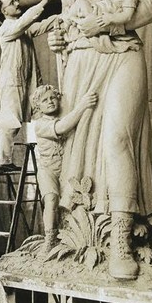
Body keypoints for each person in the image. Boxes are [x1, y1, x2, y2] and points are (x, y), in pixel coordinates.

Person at [47, 0, 152, 280]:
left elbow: (151, 4)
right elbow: (67, 19)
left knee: (116, 139)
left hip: (122, 54)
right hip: (80, 63)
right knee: (78, 155)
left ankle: (121, 242)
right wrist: (57, 36)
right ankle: (85, 237)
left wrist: (113, 20)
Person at [0, 0, 57, 173]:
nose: (17, 3)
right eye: (12, 3)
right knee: (11, 121)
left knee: (16, 120)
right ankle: (1, 161)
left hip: (23, 81)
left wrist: (62, 17)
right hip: (11, 81)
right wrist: (43, 2)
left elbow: (40, 25)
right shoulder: (6, 29)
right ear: (4, 11)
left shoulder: (22, 28)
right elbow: (25, 22)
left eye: (16, 0)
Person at [31, 84, 98, 252]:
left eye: (53, 98)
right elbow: (61, 128)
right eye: (45, 100)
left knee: (69, 202)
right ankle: (49, 237)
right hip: (48, 171)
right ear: (38, 106)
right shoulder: (40, 124)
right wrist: (83, 105)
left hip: (66, 170)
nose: (50, 102)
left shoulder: (62, 116)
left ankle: (65, 234)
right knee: (51, 200)